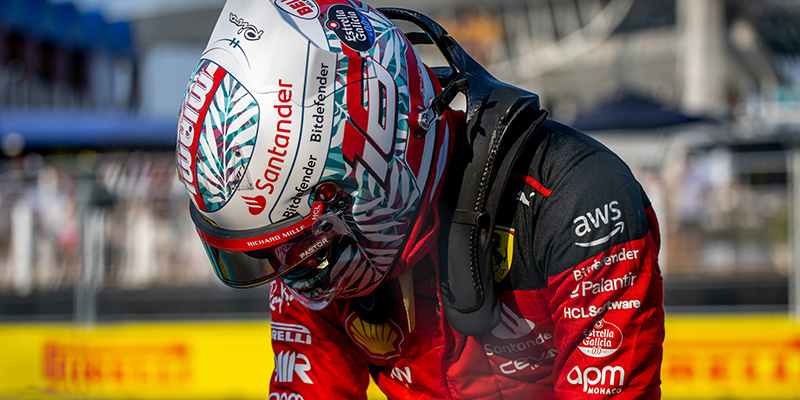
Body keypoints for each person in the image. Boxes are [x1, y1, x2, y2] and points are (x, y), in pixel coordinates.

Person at [175, 0, 665, 398]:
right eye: (267, 256)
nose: (290, 275)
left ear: (370, 165)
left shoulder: (578, 204)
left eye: (302, 252)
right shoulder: (302, 248)